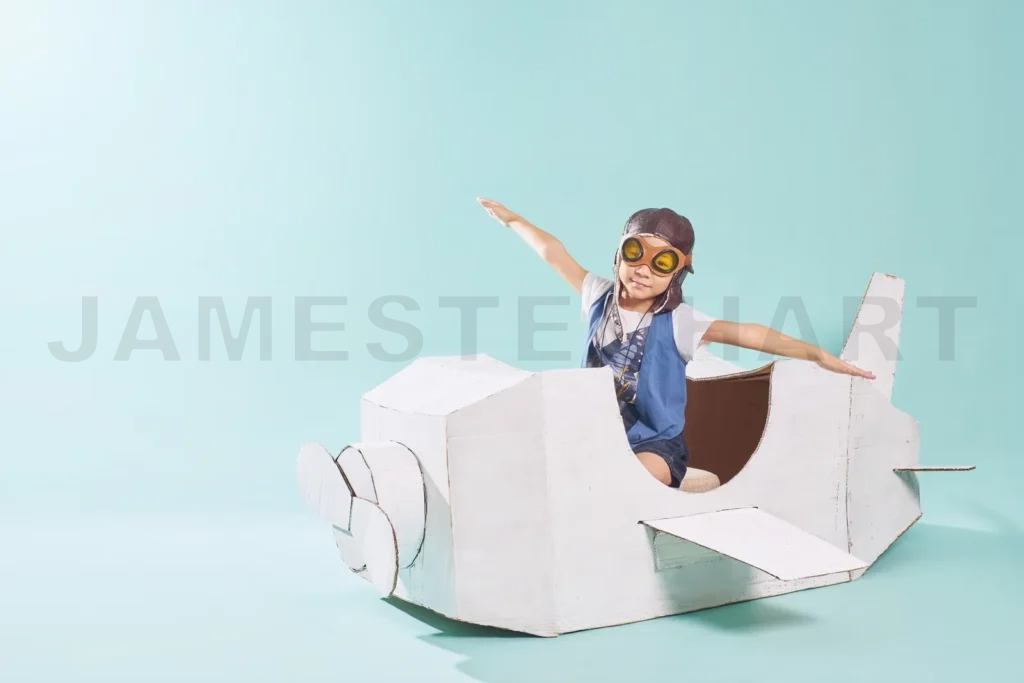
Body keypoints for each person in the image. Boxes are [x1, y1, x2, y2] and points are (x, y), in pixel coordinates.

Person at [477, 197, 875, 489]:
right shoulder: (597, 295)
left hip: (655, 444)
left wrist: (820, 355)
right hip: (593, 430)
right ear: (618, 255)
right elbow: (552, 251)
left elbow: (752, 333)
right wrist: (513, 220)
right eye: (635, 253)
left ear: (678, 272)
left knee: (626, 482)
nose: (644, 270)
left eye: (662, 262)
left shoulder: (681, 323)